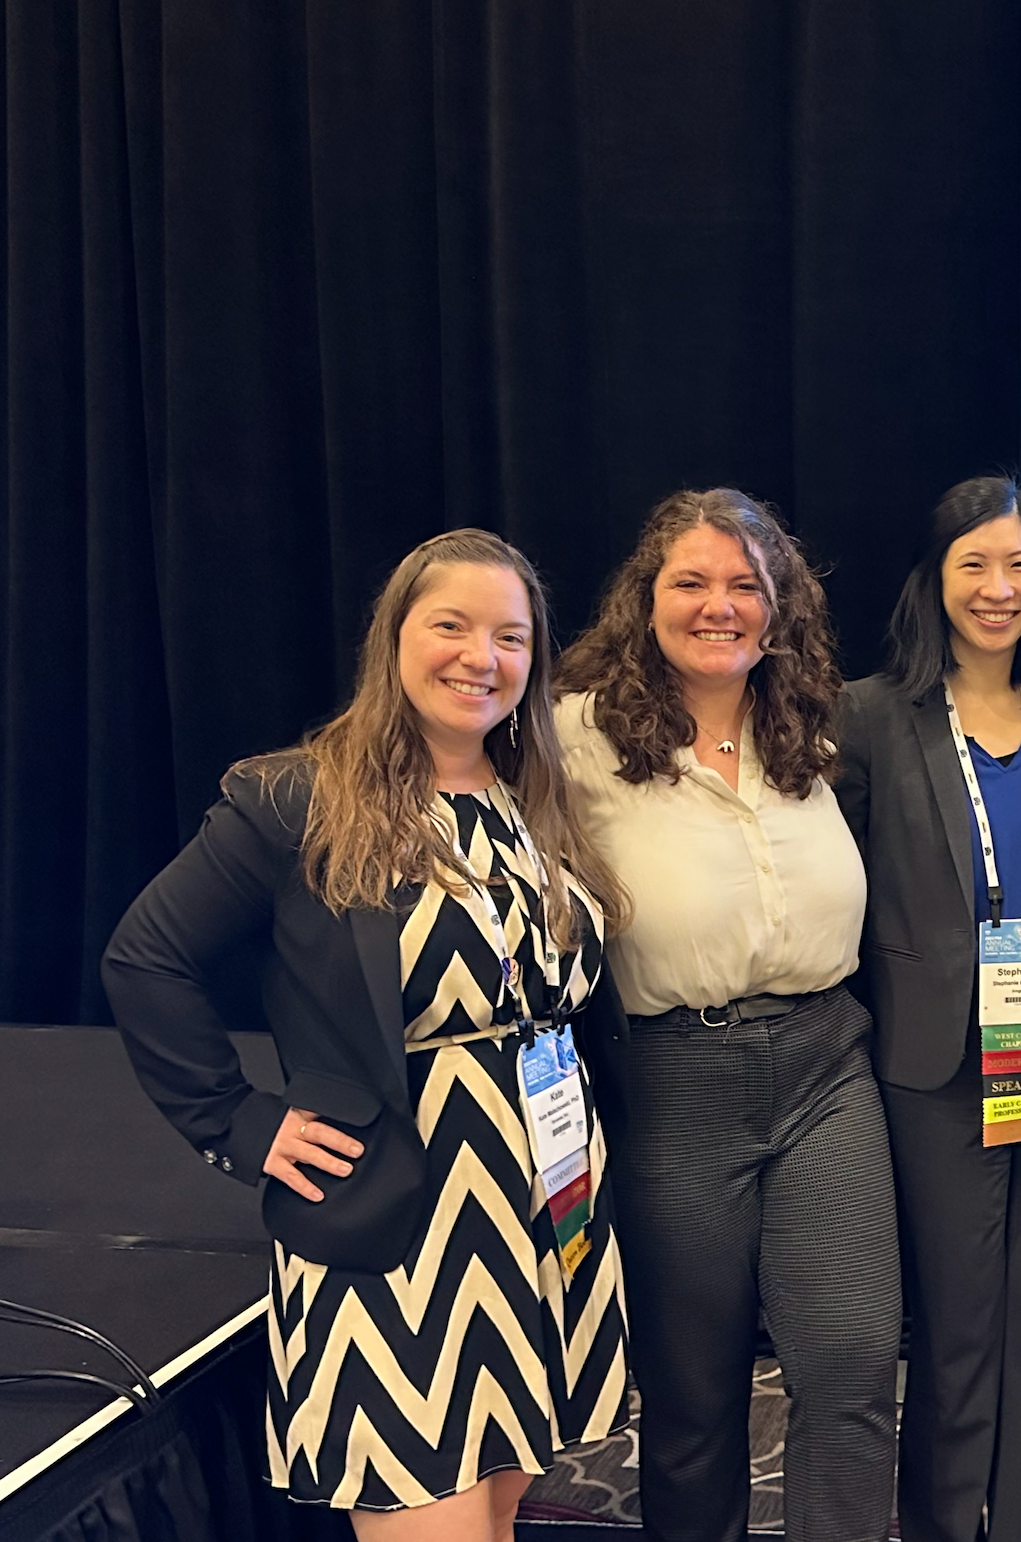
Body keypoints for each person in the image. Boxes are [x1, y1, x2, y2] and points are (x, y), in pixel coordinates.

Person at [102, 531, 631, 1540]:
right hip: (397, 1234)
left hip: (542, 1216)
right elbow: (144, 959)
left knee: (501, 1518)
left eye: (511, 637)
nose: (482, 656)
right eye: (453, 626)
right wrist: (238, 1123)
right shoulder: (298, 799)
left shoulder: (532, 801)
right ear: (394, 638)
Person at [554, 490, 898, 1542]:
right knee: (695, 1400)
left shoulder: (810, 728)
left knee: (850, 1364)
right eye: (691, 583)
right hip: (674, 1084)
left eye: (745, 585)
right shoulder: (573, 740)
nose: (720, 606)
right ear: (643, 602)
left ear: (779, 605)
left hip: (826, 1066)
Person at [834, 474, 1021, 1542]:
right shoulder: (870, 714)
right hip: (941, 1051)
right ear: (936, 579)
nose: (999, 588)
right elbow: (843, 879)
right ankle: (946, 1521)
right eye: (976, 564)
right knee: (961, 1320)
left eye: (1020, 565)